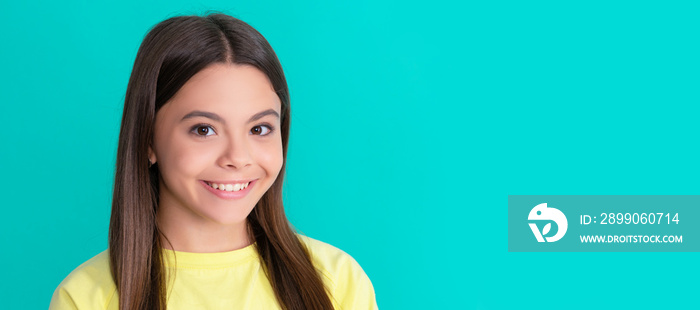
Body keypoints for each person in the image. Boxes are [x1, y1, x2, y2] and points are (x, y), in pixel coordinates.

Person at [49, 13, 377, 310]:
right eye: (204, 129)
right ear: (148, 140)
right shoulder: (85, 297)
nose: (237, 157)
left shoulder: (336, 281)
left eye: (259, 128)